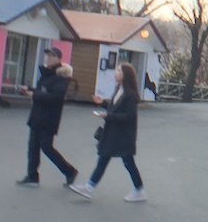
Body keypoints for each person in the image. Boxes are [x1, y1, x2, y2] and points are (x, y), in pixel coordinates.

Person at [69, 62, 146, 202]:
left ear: (125, 75)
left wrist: (108, 116)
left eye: (119, 70)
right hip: (114, 133)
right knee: (105, 159)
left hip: (123, 135)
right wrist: (102, 103)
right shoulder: (119, 90)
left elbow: (128, 116)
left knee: (127, 162)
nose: (115, 73)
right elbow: (115, 108)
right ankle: (90, 187)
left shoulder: (130, 95)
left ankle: (139, 190)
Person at [16, 47, 78, 188]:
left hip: (48, 119)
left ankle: (69, 171)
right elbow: (42, 91)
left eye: (51, 56)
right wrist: (29, 90)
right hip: (37, 116)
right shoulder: (46, 74)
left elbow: (56, 98)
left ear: (58, 59)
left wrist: (35, 95)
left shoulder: (61, 77)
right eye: (47, 56)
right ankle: (32, 176)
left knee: (47, 148)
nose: (47, 58)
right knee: (33, 146)